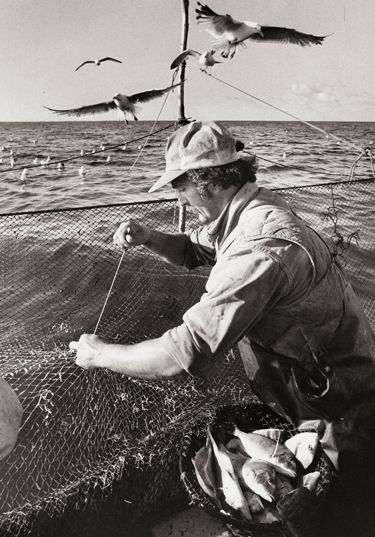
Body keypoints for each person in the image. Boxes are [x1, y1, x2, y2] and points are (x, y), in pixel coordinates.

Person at [70, 120, 375, 536]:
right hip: (312, 381)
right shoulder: (251, 207)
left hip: (340, 402)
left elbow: (184, 353)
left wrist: (98, 354)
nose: (178, 196)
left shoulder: (260, 248)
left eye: (179, 186)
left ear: (204, 183)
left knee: (343, 503)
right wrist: (148, 237)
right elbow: (198, 248)